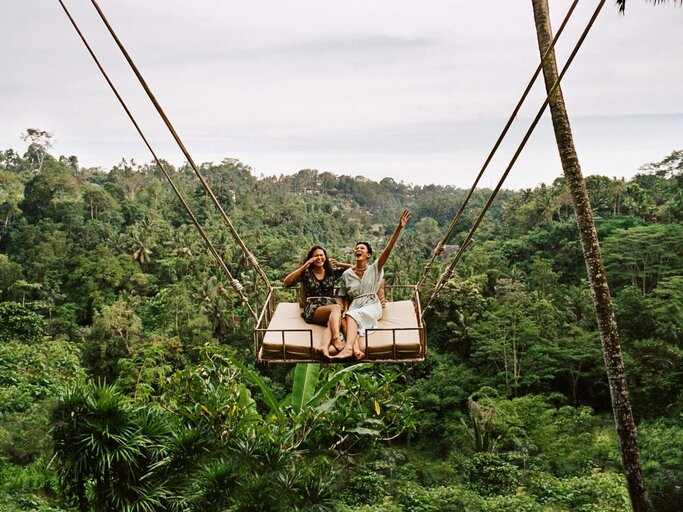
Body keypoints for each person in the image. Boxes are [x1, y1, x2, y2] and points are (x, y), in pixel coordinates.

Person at [332, 210, 411, 360]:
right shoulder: (347, 274)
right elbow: (344, 297)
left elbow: (388, 249)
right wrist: (345, 310)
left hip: (371, 304)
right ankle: (355, 349)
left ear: (368, 254)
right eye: (356, 248)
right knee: (344, 319)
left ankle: (348, 348)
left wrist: (399, 228)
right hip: (354, 306)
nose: (358, 249)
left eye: (362, 248)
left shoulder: (375, 268)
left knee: (351, 316)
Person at [283, 245, 351, 357]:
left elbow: (357, 269)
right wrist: (304, 266)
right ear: (311, 259)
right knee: (336, 308)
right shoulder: (306, 273)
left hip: (329, 307)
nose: (319, 258)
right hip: (313, 308)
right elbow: (287, 282)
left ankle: (324, 347)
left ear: (325, 257)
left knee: (335, 322)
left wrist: (340, 264)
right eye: (316, 256)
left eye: (321, 255)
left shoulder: (331, 272)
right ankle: (336, 338)